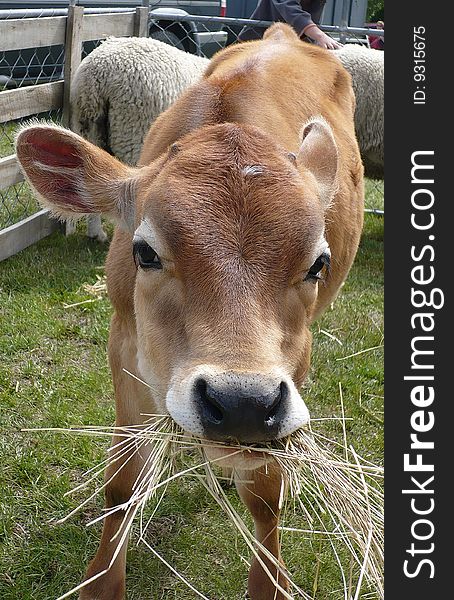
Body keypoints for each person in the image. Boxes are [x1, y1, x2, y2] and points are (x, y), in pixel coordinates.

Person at [239, 0, 342, 49]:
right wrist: (320, 36)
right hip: (257, 43)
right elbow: (289, 7)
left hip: (293, 46)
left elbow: (314, 15)